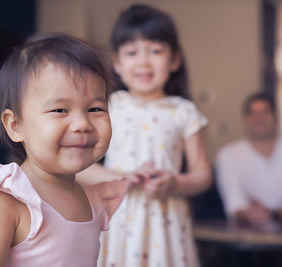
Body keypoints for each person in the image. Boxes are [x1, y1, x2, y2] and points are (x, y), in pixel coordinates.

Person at [0, 33, 131, 266]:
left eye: (95, 109)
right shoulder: (5, 203)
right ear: (15, 125)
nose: (82, 124)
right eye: (59, 110)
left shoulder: (94, 200)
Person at [77, 4, 211, 267]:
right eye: (132, 52)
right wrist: (124, 177)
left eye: (156, 50)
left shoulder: (184, 111)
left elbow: (202, 175)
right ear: (117, 62)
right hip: (117, 219)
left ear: (174, 60)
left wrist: (175, 184)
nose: (143, 61)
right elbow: (80, 168)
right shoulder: (108, 105)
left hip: (167, 222)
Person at [216, 93, 282, 227]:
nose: (259, 119)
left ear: (275, 116)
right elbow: (234, 206)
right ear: (245, 119)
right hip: (249, 239)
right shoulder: (228, 155)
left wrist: (273, 214)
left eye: (265, 112)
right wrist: (250, 214)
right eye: (252, 113)